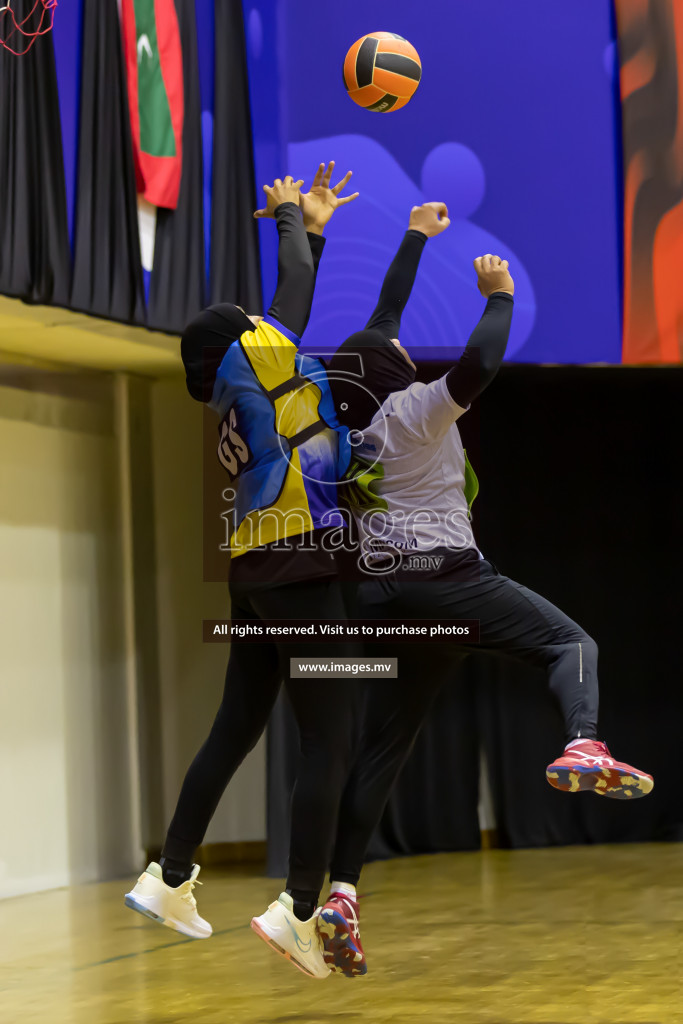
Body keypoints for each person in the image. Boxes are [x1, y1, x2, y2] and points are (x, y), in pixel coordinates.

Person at [315, 202, 654, 977]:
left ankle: (341, 894)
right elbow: (481, 365)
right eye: (397, 349)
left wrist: (414, 236)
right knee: (570, 643)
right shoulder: (415, 411)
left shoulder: (355, 424)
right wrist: (497, 294)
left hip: (380, 602)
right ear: (395, 371)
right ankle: (582, 741)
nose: (400, 338)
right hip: (443, 581)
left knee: (383, 747)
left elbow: (381, 317)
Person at [125, 164, 360, 981]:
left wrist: (314, 225)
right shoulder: (260, 357)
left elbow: (291, 295)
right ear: (243, 340)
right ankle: (298, 909)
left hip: (254, 566)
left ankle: (170, 875)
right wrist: (296, 218)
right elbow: (292, 284)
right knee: (332, 736)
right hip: (298, 562)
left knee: (238, 724)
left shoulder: (237, 386)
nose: (267, 321)